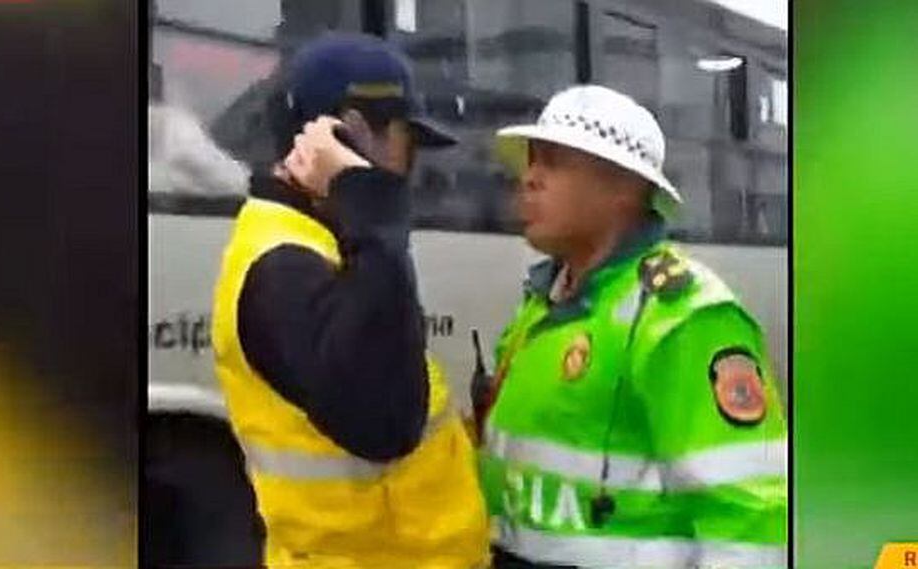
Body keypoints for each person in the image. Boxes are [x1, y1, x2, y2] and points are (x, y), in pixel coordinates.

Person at [475, 85, 787, 568]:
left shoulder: (684, 316)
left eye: (553, 162)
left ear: (625, 189)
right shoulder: (544, 303)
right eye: (531, 161)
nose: (529, 178)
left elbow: (748, 517)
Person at [211, 33, 489, 568]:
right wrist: (370, 201)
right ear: (351, 133)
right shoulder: (285, 266)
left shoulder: (319, 243)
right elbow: (387, 420)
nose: (411, 172)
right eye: (407, 144)